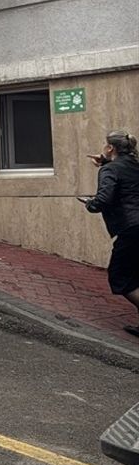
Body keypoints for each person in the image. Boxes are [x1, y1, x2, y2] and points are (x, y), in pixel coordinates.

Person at [83, 129, 139, 338]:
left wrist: (90, 204)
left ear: (110, 148)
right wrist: (107, 163)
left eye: (105, 145)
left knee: (120, 276)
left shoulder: (110, 170)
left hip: (130, 227)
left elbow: (104, 198)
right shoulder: (133, 165)